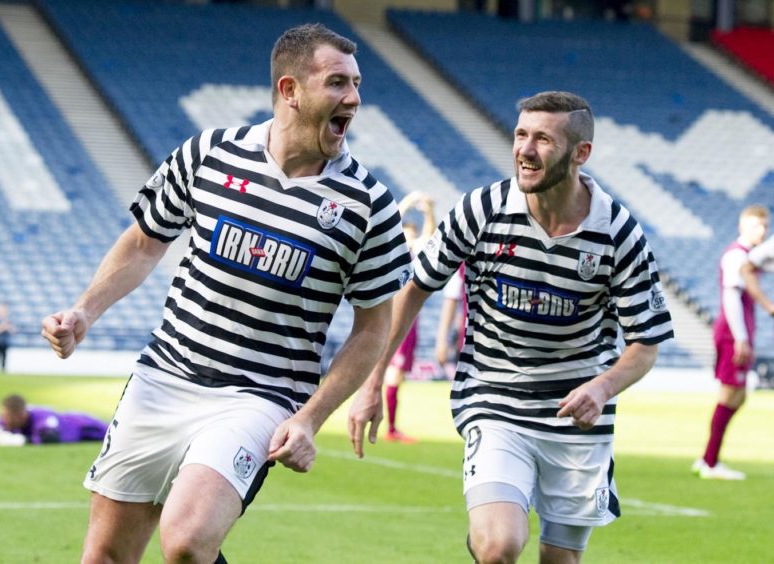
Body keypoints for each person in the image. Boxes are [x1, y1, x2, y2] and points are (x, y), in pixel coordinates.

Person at [40, 23, 410, 564]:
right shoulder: (209, 154)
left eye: (356, 84)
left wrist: (310, 417)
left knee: (187, 540)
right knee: (105, 556)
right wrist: (83, 311)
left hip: (259, 395)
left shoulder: (368, 205)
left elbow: (374, 327)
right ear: (289, 90)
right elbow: (145, 243)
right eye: (337, 83)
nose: (353, 98)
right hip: (163, 377)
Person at [348, 91, 674, 563]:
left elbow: (645, 341)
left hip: (577, 418)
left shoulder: (619, 233)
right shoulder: (481, 209)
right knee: (499, 545)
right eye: (521, 134)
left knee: (558, 559)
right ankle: (485, 540)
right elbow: (415, 287)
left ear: (580, 153)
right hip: (495, 401)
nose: (524, 149)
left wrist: (602, 388)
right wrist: (373, 381)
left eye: (543, 139)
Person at [692, 205, 769, 481]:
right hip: (732, 333)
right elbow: (730, 297)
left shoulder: (749, 256)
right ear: (743, 226)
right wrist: (740, 338)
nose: (762, 230)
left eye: (765, 225)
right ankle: (709, 462)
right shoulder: (736, 255)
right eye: (757, 225)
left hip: (740, 331)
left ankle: (708, 459)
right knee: (730, 394)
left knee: (740, 394)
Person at [382, 190, 435, 443]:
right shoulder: (393, 252)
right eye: (408, 234)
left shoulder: (414, 255)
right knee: (393, 373)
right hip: (395, 317)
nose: (411, 238)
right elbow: (393, 219)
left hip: (411, 320)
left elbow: (430, 237)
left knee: (399, 375)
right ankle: (390, 427)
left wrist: (429, 212)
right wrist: (410, 200)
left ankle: (392, 425)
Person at [0, 393, 108, 447]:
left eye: (7, 417)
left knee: (113, 436)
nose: (3, 421)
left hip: (82, 425)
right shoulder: (4, 420)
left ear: (20, 415)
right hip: (79, 434)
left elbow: (51, 439)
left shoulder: (42, 417)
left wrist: (20, 441)